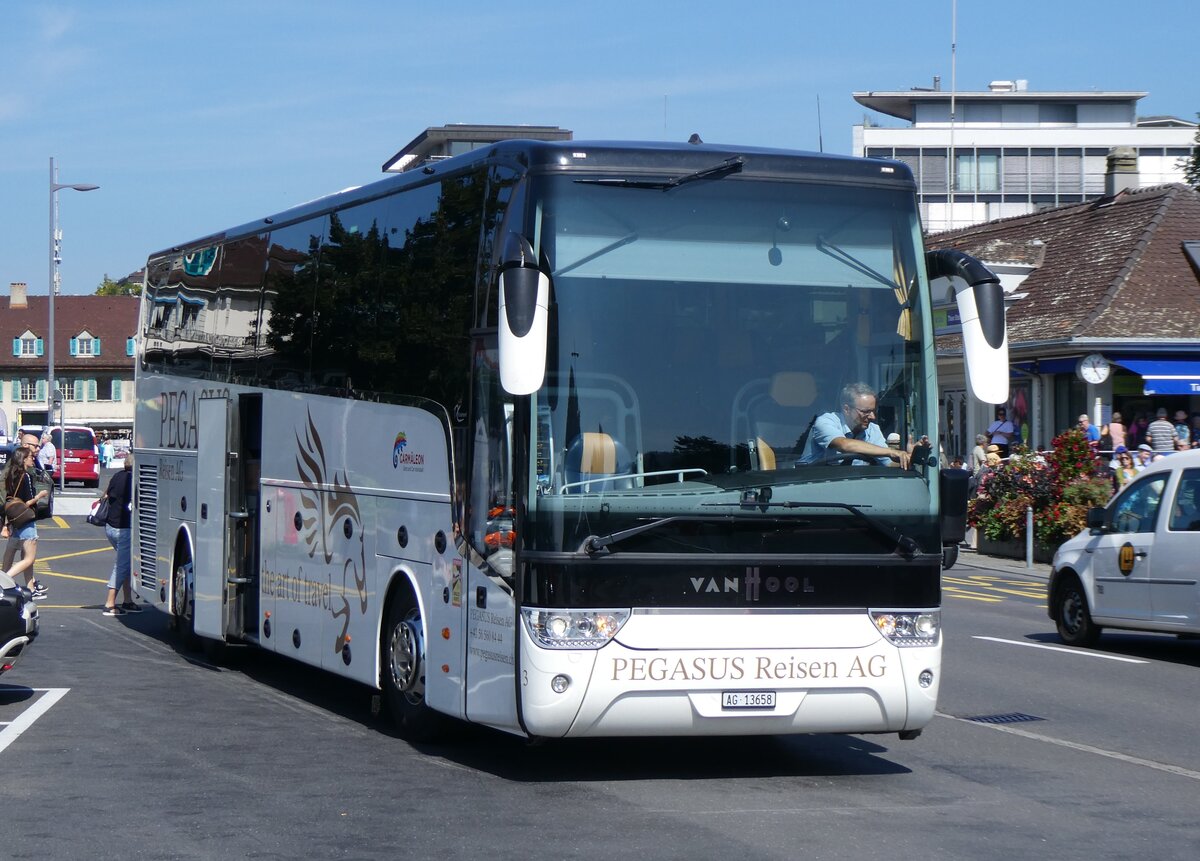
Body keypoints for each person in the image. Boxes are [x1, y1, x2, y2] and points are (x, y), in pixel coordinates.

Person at [798, 382, 911, 468]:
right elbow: (844, 445)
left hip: (851, 484)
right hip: (810, 482)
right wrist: (891, 451)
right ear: (847, 409)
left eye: (874, 411)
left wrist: (908, 458)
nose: (872, 417)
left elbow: (888, 463)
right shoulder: (825, 421)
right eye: (865, 411)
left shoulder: (872, 429)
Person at [0, 445, 51, 599]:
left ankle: (30, 588)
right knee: (29, 558)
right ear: (23, 459)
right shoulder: (26, 476)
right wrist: (40, 495)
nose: (33, 459)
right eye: (30, 457)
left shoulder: (10, 475)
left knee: (13, 556)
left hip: (15, 521)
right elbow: (26, 502)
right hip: (26, 520)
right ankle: (3, 580)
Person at [99, 455, 139, 616]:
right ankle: (110, 603)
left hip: (110, 526)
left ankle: (128, 600)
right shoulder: (134, 479)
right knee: (122, 565)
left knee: (127, 563)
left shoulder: (117, 476)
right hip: (124, 529)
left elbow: (106, 495)